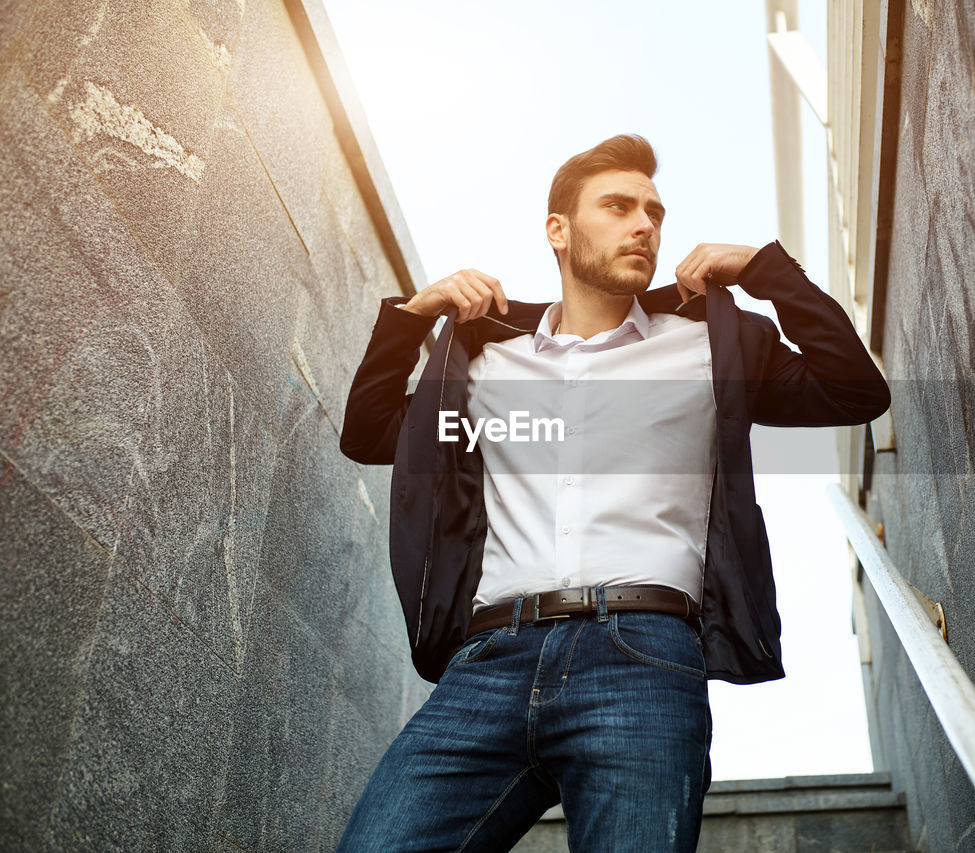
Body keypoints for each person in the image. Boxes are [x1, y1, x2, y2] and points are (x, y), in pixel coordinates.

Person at [336, 134, 890, 852]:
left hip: (642, 657)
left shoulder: (707, 346)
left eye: (655, 212)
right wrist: (414, 316)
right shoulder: (484, 359)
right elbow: (371, 433)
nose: (645, 225)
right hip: (490, 661)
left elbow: (854, 387)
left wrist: (766, 272)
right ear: (558, 231)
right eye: (619, 206)